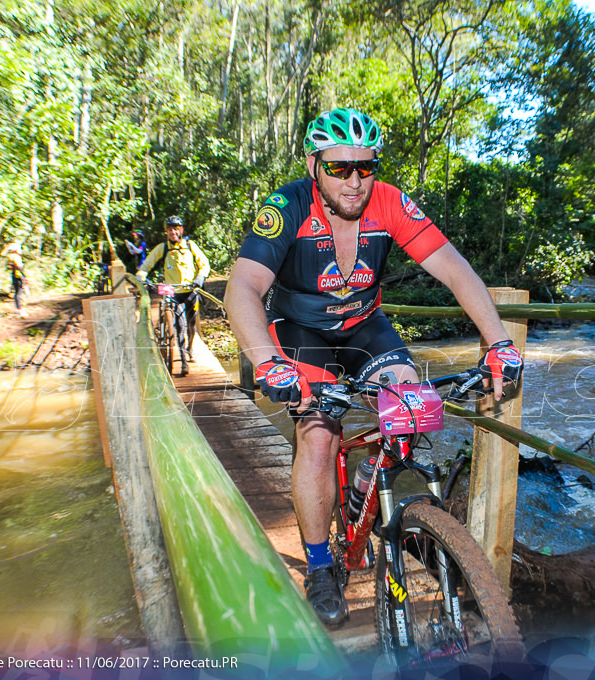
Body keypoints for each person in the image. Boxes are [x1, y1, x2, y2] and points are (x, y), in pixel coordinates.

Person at [224, 107, 525, 626]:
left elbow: (455, 268)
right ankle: (321, 566)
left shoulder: (389, 202)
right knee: (318, 435)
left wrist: (499, 341)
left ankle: (370, 479)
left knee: (411, 406)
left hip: (365, 327)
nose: (355, 180)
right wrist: (270, 363)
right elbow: (242, 289)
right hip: (303, 332)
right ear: (315, 166)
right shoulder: (287, 205)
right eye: (340, 168)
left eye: (366, 167)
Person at [136, 216, 211, 375]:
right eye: (170, 229)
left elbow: (204, 263)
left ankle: (190, 348)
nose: (173, 232)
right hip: (172, 291)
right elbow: (147, 264)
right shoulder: (163, 248)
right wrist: (141, 276)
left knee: (191, 324)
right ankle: (183, 361)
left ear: (181, 230)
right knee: (180, 325)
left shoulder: (190, 246)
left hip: (190, 290)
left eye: (176, 229)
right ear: (166, 231)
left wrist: (200, 277)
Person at [5, 243, 28, 318]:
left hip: (14, 276)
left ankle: (18, 308)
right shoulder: (16, 257)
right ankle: (20, 309)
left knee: (17, 292)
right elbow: (19, 266)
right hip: (19, 276)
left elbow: (10, 267)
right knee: (19, 292)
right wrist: (24, 276)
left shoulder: (10, 257)